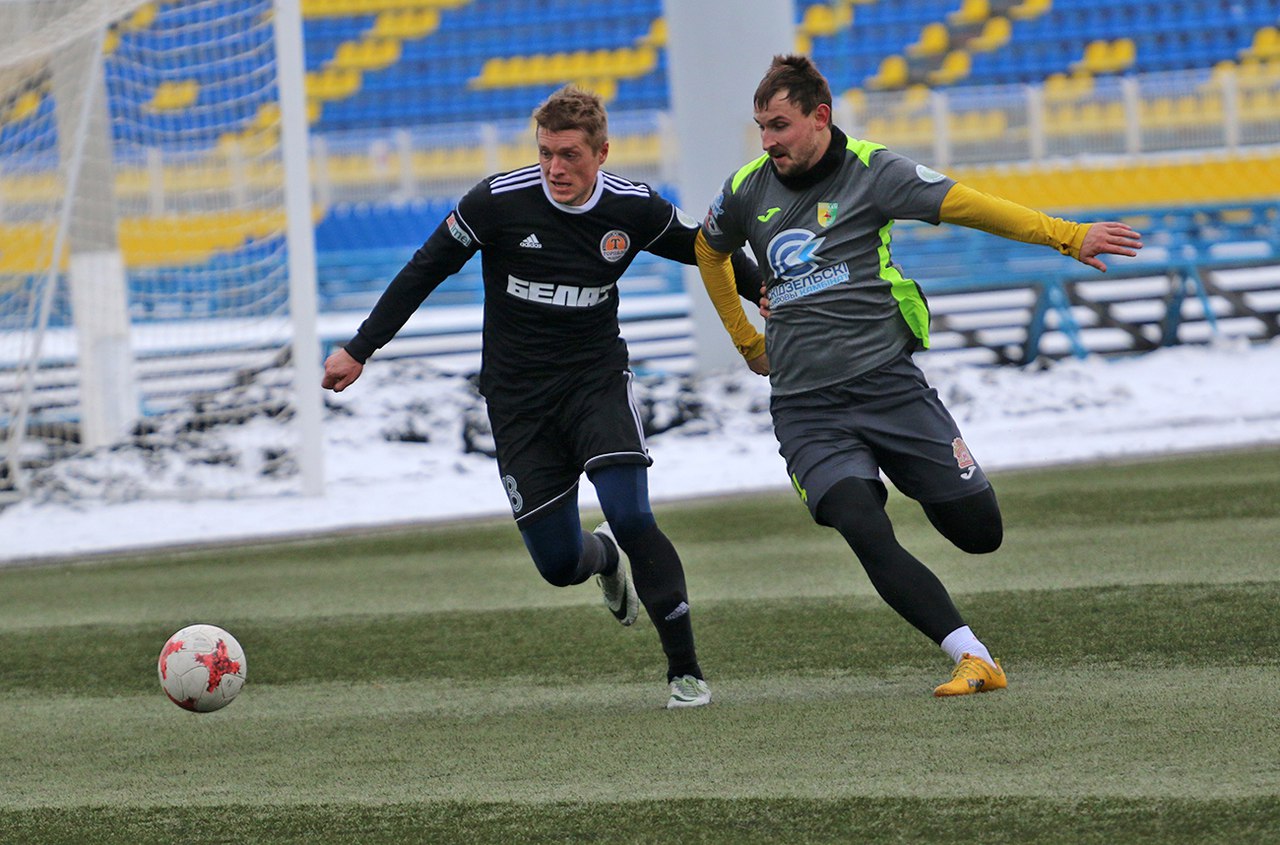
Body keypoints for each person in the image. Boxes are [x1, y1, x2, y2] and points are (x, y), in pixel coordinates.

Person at [694, 55, 1143, 697]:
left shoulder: (875, 171)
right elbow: (707, 249)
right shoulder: (746, 188)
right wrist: (747, 341)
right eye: (761, 127)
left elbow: (971, 206)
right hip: (804, 405)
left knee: (979, 534)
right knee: (861, 524)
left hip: (888, 387)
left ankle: (914, 471)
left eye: (779, 126)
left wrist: (1067, 236)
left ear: (820, 117)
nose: (767, 141)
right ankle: (972, 655)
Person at [322, 85, 763, 709]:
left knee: (634, 516)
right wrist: (360, 348)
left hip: (595, 384)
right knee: (558, 564)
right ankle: (603, 558)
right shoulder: (496, 202)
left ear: (602, 153)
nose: (555, 168)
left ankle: (685, 673)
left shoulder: (634, 209)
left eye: (570, 155)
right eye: (546, 153)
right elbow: (425, 268)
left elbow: (706, 249)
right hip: (518, 402)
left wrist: (771, 292)